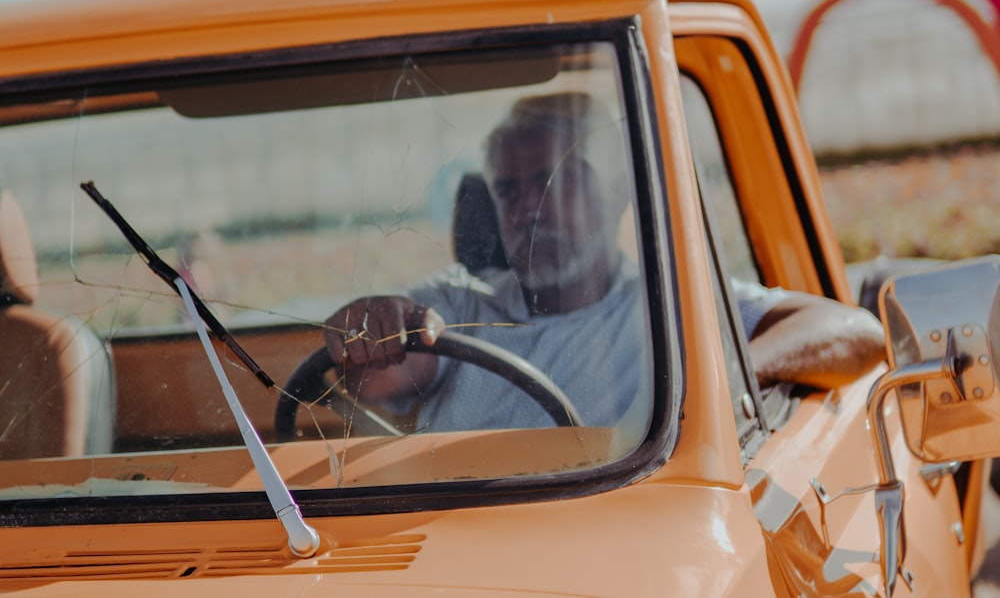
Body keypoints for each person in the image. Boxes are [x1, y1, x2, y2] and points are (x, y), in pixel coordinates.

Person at [323, 91, 886, 432]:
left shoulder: (674, 310)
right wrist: (372, 330)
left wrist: (727, 375)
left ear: (617, 194)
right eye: (509, 190)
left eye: (554, 181)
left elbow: (856, 333)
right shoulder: (455, 305)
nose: (528, 209)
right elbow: (382, 373)